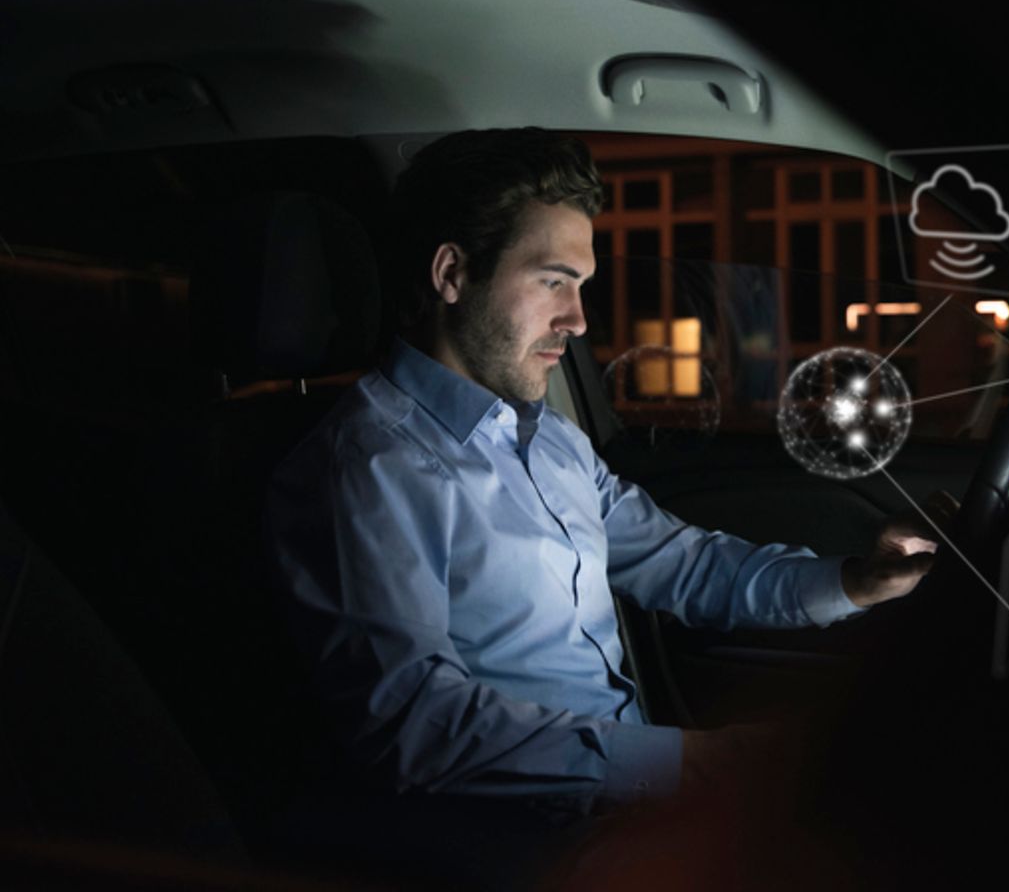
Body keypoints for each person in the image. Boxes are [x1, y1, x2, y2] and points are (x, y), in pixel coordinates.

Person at [263, 128, 952, 820]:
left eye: (582, 286)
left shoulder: (553, 442)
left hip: (624, 807)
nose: (579, 320)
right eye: (553, 281)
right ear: (451, 274)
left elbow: (685, 566)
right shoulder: (366, 467)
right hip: (522, 842)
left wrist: (856, 582)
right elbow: (418, 729)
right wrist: (711, 766)